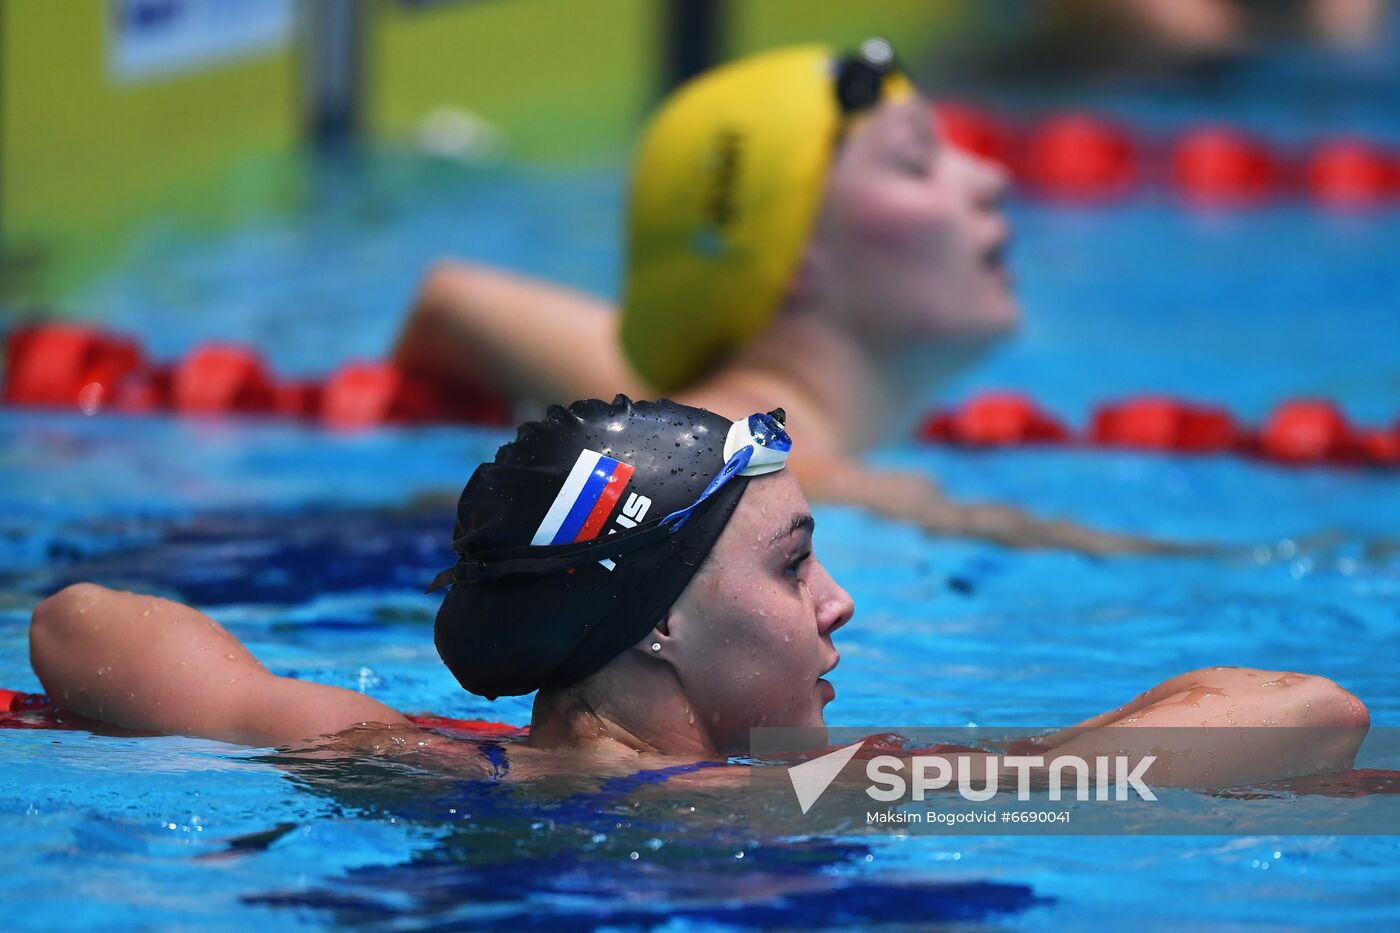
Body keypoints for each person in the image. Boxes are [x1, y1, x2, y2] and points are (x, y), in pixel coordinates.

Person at [28, 397, 1368, 788]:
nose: (841, 604)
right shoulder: (782, 803)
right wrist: (1042, 763)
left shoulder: (417, 762)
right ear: (656, 621)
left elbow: (76, 623)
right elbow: (1315, 714)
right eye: (794, 566)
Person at [392, 41, 1171, 556]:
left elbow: (451, 298)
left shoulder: (689, 430)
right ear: (790, 259)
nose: (990, 178)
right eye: (915, 162)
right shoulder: (805, 489)